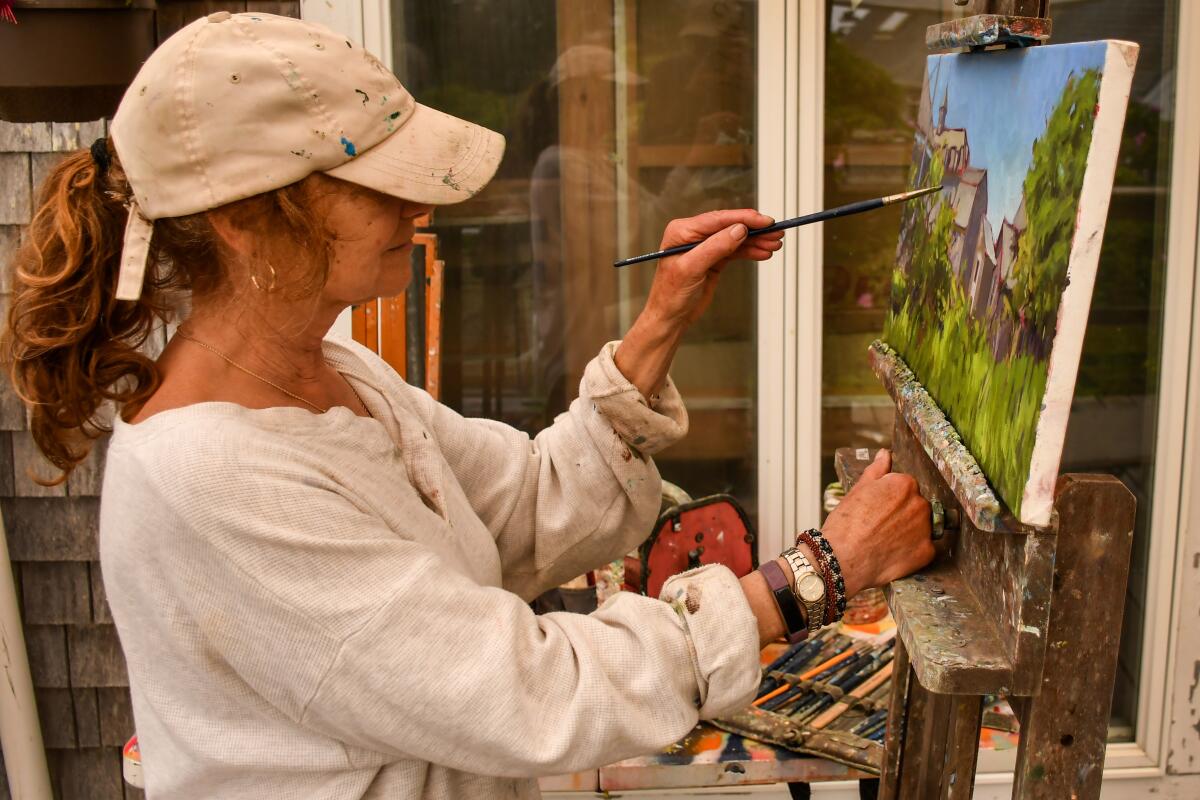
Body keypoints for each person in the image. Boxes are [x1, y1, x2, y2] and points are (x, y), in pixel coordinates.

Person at [3, 12, 934, 800]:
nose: (420, 204)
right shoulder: (208, 480)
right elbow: (532, 695)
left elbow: (531, 505)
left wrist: (661, 318)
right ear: (249, 221)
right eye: (380, 180)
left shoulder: (336, 372)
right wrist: (813, 574)